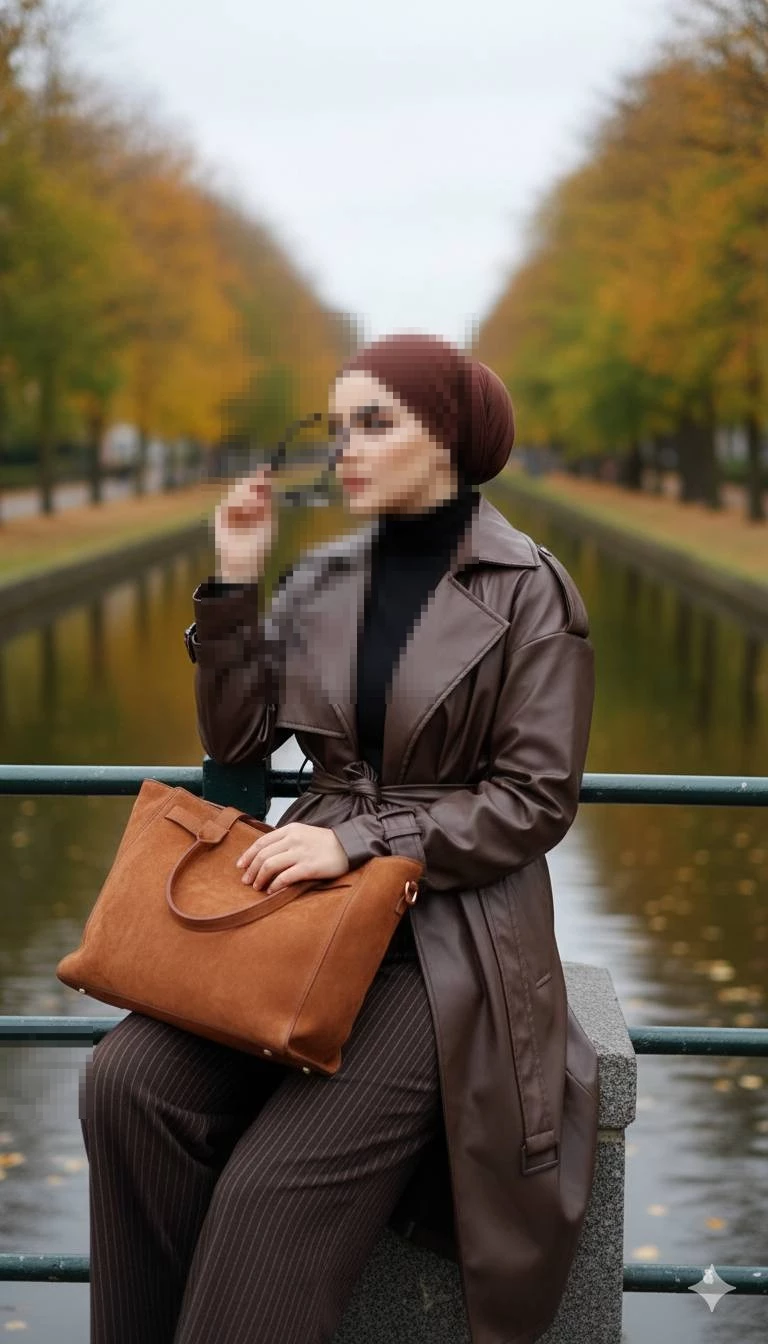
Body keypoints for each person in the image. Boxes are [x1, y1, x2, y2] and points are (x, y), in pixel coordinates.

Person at [79, 332, 599, 1344]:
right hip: (304, 919)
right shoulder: (322, 578)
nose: (344, 448)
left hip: (444, 949)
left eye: (374, 423)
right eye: (336, 424)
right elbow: (238, 740)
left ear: (444, 438)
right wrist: (233, 580)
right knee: (125, 1085)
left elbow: (535, 800)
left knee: (268, 1198)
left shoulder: (532, 588)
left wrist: (364, 841)